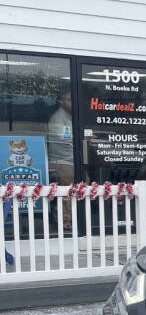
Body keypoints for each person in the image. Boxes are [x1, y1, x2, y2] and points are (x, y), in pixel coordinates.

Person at [47, 89, 75, 228]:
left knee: (77, 189)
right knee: (67, 193)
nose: (72, 102)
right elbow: (65, 139)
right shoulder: (58, 118)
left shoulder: (68, 117)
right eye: (69, 99)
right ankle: (65, 222)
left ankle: (70, 220)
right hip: (63, 161)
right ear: (61, 101)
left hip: (69, 161)